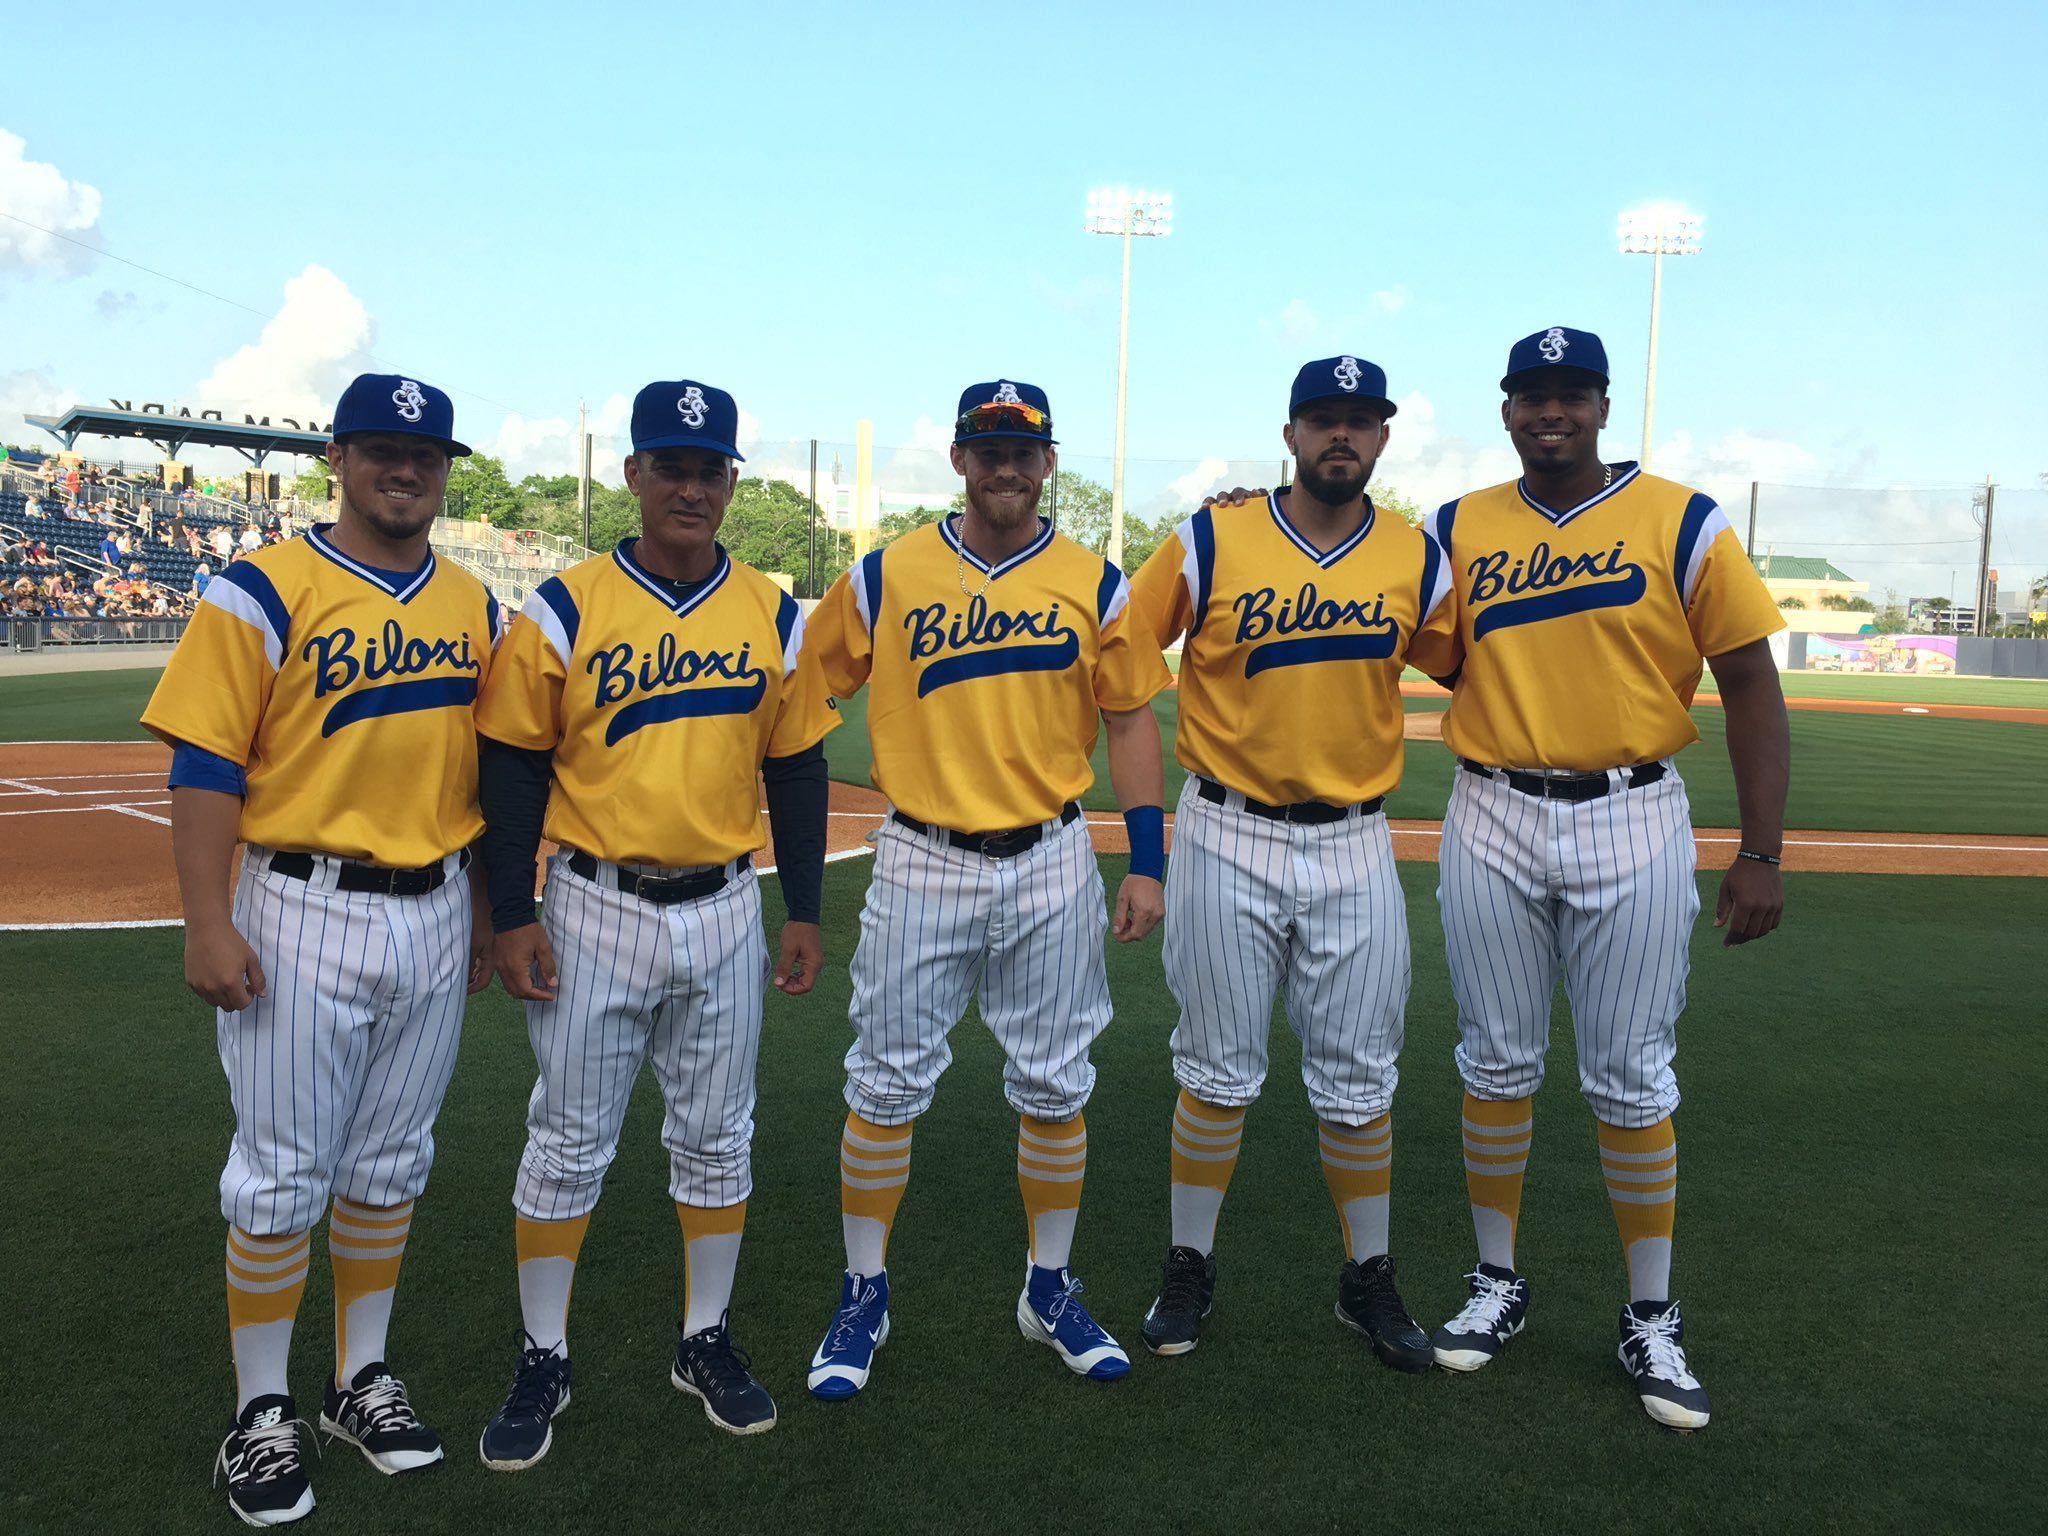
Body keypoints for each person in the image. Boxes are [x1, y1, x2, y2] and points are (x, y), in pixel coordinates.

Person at [141, 373, 504, 1525]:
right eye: (382, 448)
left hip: (435, 905)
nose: (406, 469)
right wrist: (208, 919)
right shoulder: (260, 588)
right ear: (338, 459)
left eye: (426, 454)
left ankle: (358, 1381)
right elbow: (206, 762)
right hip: (300, 905)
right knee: (281, 1171)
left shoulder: (476, 607)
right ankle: (261, 1413)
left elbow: (489, 776)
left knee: (390, 1161)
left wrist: (488, 908)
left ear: (444, 471)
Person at [1418, 327, 1789, 1431]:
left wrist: (1761, 849)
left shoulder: (1683, 520)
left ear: (1602, 406)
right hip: (1490, 807)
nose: (1552, 411)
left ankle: (1649, 1313)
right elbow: (1362, 597)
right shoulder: (1455, 527)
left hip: (1633, 811)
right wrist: (1256, 506)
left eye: (1572, 394)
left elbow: (1749, 682)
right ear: (1505, 411)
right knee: (1495, 1061)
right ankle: (1496, 1281)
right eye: (1533, 395)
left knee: (1630, 1075)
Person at [470, 379, 836, 1468]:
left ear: (731, 482)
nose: (690, 487)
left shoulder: (771, 611)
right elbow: (512, 764)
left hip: (724, 907)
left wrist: (803, 908)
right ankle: (544, 1352)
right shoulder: (566, 606)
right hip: (595, 905)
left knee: (718, 1137)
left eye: (709, 469)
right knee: (567, 1139)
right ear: (632, 474)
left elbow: (798, 766)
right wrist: (510, 912)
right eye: (670, 466)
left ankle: (703, 1338)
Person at [800, 379, 1170, 1399]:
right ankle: (864, 1291)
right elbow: (802, 687)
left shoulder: (1094, 583)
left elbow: (1130, 719)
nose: (1006, 467)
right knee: (884, 1083)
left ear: (1047, 463)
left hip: (1050, 856)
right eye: (988, 449)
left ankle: (1048, 1288)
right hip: (922, 853)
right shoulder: (885, 576)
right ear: (960, 460)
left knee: (1055, 1083)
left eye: (1023, 451)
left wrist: (1145, 860)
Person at [1126, 357, 1456, 1368]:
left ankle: (1368, 1277)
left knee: (1358, 1078)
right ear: (1290, 435)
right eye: (1322, 418)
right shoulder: (1210, 537)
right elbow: (1122, 656)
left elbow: (1468, 663)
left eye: (1359, 420)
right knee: (1216, 1071)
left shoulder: (1414, 555)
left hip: (1356, 839)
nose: (1340, 434)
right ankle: (1188, 1264)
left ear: (1383, 437)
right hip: (1227, 831)